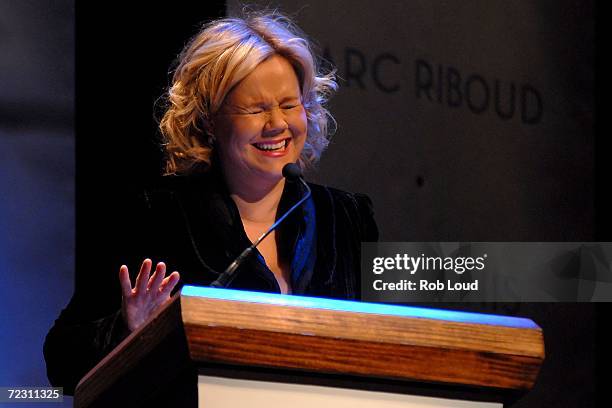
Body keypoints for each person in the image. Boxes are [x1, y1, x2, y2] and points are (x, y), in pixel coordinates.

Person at [44, 10, 378, 395]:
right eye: (255, 109)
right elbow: (61, 359)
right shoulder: (154, 216)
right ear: (207, 121)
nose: (277, 124)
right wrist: (129, 330)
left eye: (289, 105)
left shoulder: (348, 218)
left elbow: (401, 339)